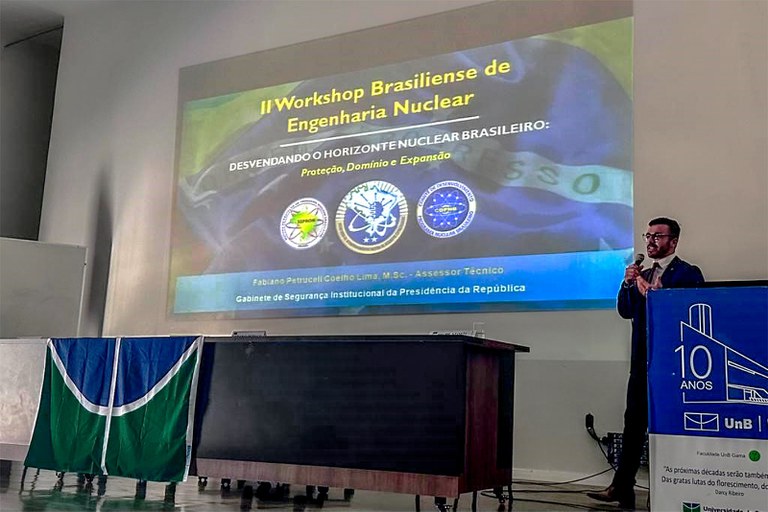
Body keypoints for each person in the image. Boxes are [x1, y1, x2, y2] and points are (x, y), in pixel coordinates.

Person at [587, 217, 704, 509]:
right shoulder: (644, 273)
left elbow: (690, 314)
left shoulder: (688, 273)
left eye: (657, 236)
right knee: (633, 425)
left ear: (673, 241)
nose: (650, 241)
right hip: (641, 362)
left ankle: (668, 490)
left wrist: (660, 297)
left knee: (667, 427)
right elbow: (625, 311)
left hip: (673, 365)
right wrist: (628, 284)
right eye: (648, 236)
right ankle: (621, 487)